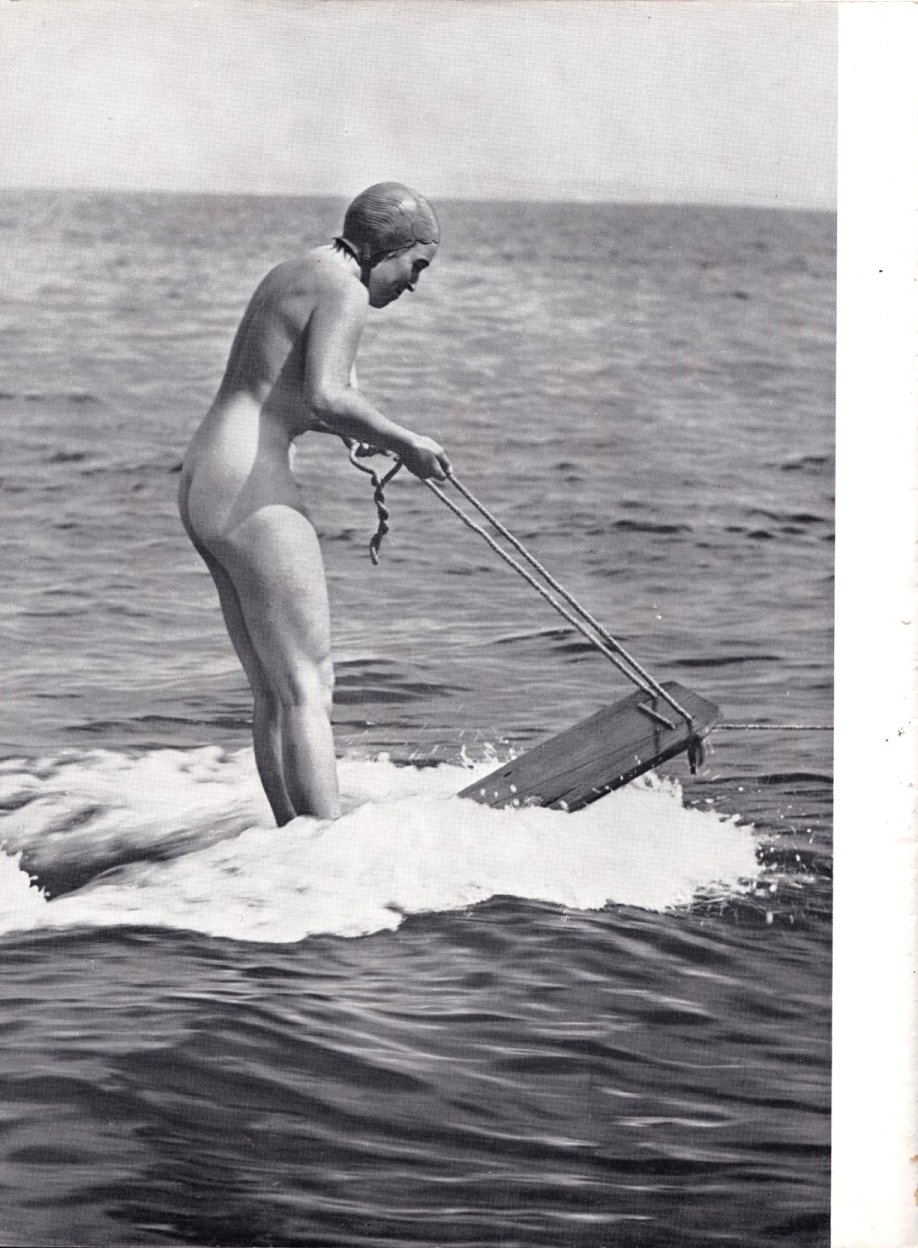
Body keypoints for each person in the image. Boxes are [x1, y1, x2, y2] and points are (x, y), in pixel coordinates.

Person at [178, 183, 451, 825]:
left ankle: (290, 842)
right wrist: (408, 442)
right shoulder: (345, 289)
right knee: (309, 684)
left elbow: (279, 390)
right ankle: (326, 852)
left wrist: (356, 432)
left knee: (275, 689)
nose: (414, 284)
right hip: (249, 480)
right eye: (417, 266)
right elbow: (328, 395)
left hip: (204, 474)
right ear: (392, 248)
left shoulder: (294, 272)